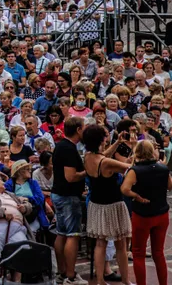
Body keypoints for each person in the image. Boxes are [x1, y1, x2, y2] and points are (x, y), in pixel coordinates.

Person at [82, 124, 133, 285]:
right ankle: (126, 281)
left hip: (96, 204)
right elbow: (130, 168)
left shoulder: (88, 156)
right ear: (100, 140)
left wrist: (117, 143)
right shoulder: (106, 163)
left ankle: (100, 281)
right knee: (121, 245)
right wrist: (135, 153)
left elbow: (103, 155)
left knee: (100, 243)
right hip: (113, 204)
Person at [121, 141, 172, 285]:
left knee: (138, 253)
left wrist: (136, 196)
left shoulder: (135, 170)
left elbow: (124, 189)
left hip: (142, 214)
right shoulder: (163, 168)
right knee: (158, 252)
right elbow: (170, 186)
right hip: (162, 213)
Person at [51, 117, 87, 285]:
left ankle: (62, 271)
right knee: (72, 235)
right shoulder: (69, 149)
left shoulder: (61, 146)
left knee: (61, 233)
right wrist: (86, 171)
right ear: (78, 130)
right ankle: (71, 276)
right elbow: (71, 177)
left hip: (59, 194)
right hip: (68, 196)